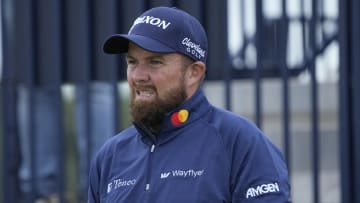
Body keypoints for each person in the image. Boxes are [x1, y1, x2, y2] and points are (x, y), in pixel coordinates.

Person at [88, 6, 291, 203]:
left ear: (194, 72)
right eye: (132, 62)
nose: (138, 76)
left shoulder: (240, 142)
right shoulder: (110, 156)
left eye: (155, 62)